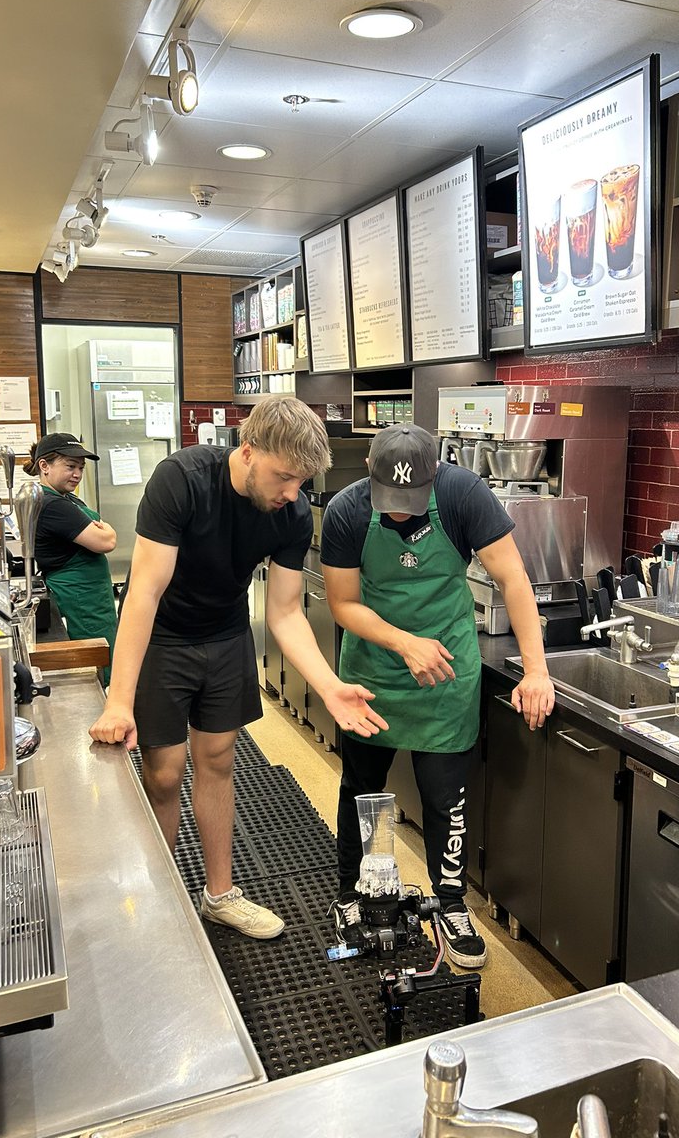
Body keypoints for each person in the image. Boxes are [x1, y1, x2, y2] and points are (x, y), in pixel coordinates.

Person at [88, 398, 387, 941]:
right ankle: (162, 896)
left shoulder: (291, 513)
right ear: (248, 451)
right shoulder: (181, 480)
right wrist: (118, 700)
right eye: (284, 477)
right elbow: (143, 594)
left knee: (218, 758)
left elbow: (286, 610)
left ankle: (219, 895)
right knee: (163, 771)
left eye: (302, 482)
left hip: (226, 635)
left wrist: (330, 686)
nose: (293, 493)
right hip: (164, 637)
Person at [321, 423, 555, 969]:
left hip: (446, 673)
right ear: (370, 478)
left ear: (434, 478)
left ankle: (450, 905)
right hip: (373, 675)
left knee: (445, 799)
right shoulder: (348, 511)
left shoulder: (463, 493)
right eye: (389, 501)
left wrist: (536, 670)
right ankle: (351, 895)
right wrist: (403, 643)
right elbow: (342, 603)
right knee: (361, 788)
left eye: (411, 500)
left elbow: (513, 579)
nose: (399, 512)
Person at [24, 433, 118, 684]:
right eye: (70, 466)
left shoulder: (64, 498)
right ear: (44, 466)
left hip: (92, 595)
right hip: (81, 598)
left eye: (80, 468)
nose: (77, 474)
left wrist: (102, 530)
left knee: (106, 655)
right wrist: (107, 529)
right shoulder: (53, 504)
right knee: (96, 663)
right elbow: (105, 541)